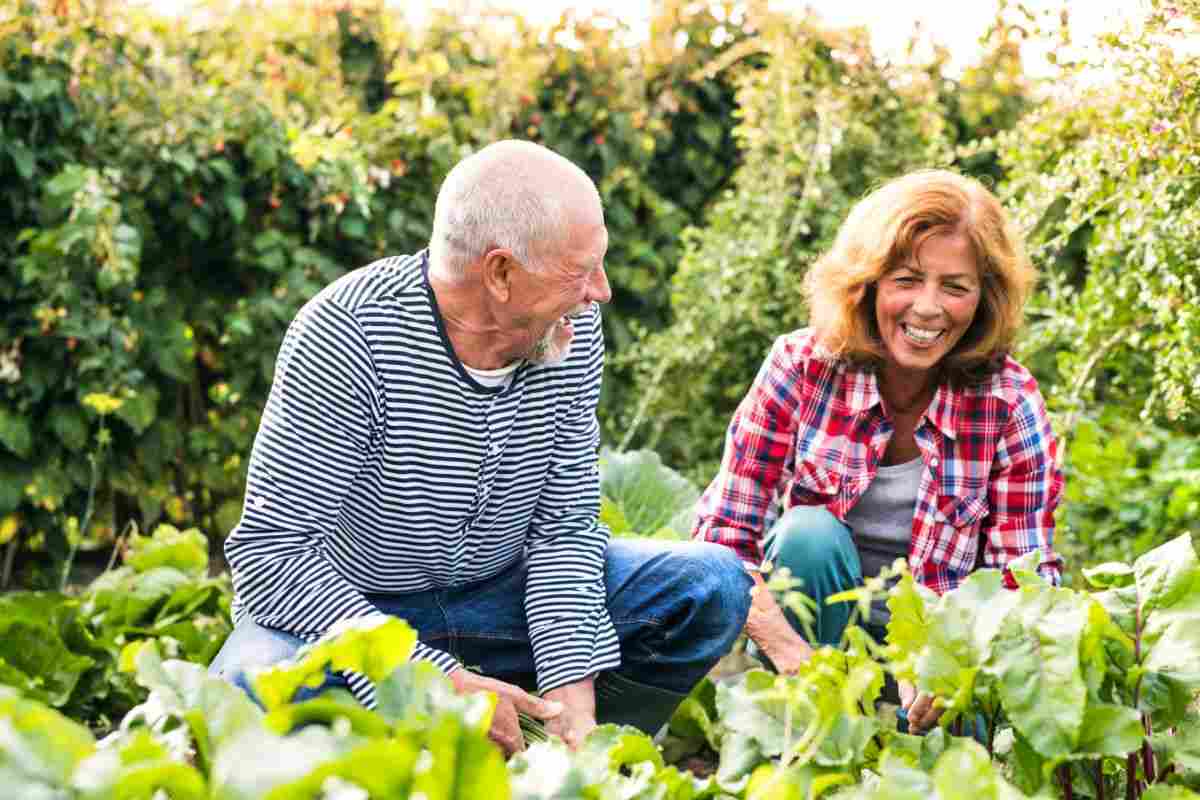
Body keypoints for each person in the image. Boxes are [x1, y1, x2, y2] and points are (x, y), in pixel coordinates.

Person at [209, 140, 751, 755]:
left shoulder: (564, 329)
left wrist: (574, 704)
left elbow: (564, 532)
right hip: (358, 614)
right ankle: (431, 735)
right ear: (499, 272)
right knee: (248, 691)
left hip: (501, 602)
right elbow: (273, 555)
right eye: (582, 270)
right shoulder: (349, 332)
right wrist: (434, 677)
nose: (600, 291)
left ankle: (550, 746)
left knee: (712, 586)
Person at [692, 169, 1063, 735]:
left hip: (938, 665)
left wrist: (949, 661)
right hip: (814, 646)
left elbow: (1023, 579)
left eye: (955, 287)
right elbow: (722, 539)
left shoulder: (1008, 402)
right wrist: (793, 658)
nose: (928, 308)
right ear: (868, 282)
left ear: (984, 298)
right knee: (808, 534)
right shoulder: (801, 368)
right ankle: (807, 737)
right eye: (907, 279)